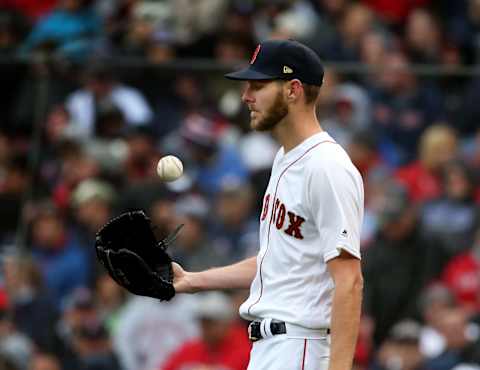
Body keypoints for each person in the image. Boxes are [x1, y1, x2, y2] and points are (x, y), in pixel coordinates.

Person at [173, 39, 364, 370]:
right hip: (273, 347)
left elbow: (350, 280)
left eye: (258, 85)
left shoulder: (326, 166)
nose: (246, 96)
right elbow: (279, 261)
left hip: (301, 344)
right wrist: (193, 280)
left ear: (293, 90)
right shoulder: (284, 157)